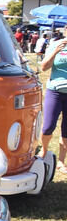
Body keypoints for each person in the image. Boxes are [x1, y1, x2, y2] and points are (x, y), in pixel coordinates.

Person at [40, 29, 67, 176]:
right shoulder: (56, 44)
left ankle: (62, 161)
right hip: (55, 91)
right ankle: (44, 150)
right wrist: (56, 51)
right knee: (48, 126)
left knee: (66, 130)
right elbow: (44, 67)